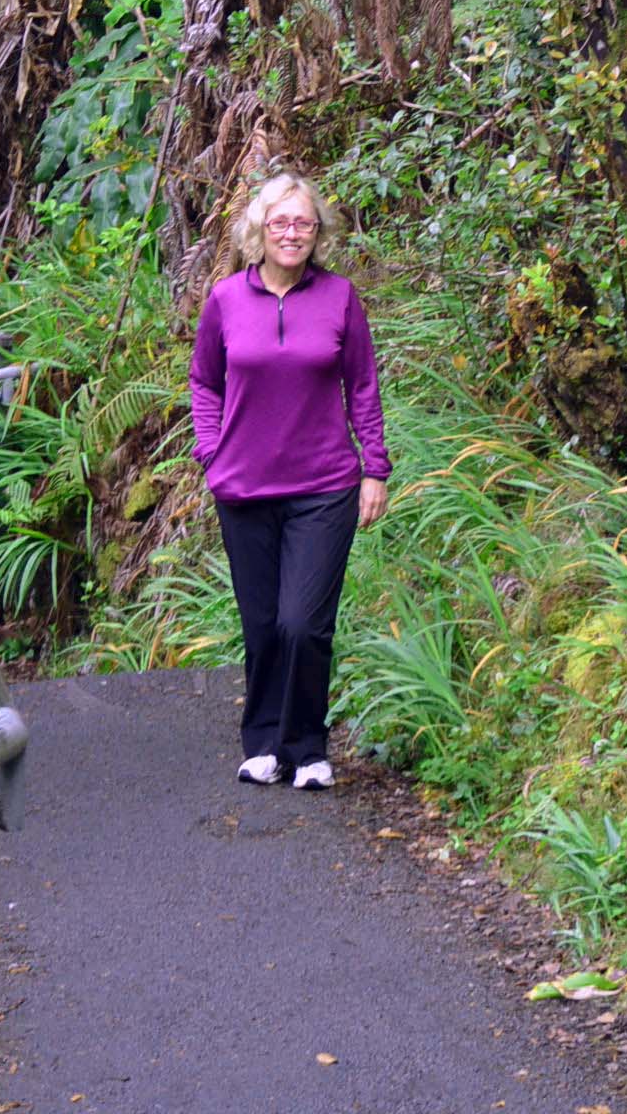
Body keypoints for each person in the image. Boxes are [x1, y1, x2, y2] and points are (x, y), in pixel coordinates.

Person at [188, 170, 391, 790]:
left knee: (304, 622)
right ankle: (264, 745)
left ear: (319, 232)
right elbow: (204, 382)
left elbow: (362, 385)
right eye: (280, 222)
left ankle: (308, 748)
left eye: (304, 222)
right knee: (262, 623)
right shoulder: (225, 300)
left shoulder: (340, 298)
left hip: (325, 486)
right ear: (259, 230)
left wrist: (374, 467)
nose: (292, 233)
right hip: (244, 490)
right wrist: (210, 452)